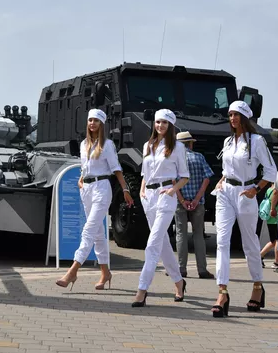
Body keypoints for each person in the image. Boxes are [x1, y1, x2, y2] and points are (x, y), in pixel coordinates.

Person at [210, 100, 277, 318]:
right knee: (222, 241)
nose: (232, 118)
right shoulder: (228, 141)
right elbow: (226, 169)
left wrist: (256, 189)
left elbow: (271, 171)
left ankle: (257, 286)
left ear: (245, 117)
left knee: (249, 243)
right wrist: (221, 181)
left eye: (236, 114)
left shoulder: (257, 141)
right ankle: (222, 292)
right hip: (225, 193)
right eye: (230, 115)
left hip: (246, 193)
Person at [55, 109, 134, 290]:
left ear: (102, 124)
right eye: (90, 120)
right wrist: (81, 178)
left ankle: (73, 271)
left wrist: (125, 189)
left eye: (96, 121)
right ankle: (105, 272)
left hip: (101, 188)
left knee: (88, 230)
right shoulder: (84, 144)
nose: (92, 123)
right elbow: (85, 167)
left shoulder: (107, 145)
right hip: (87, 189)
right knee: (98, 234)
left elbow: (116, 169)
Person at [131, 109, 190, 307]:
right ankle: (179, 281)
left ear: (171, 125)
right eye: (158, 122)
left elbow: (185, 176)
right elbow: (144, 173)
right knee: (163, 244)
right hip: (148, 197)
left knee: (153, 243)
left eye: (164, 122)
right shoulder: (148, 145)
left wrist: (172, 190)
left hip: (166, 196)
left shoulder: (178, 147)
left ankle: (142, 289)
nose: (160, 125)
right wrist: (142, 191)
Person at [174, 131, 214, 279]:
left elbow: (172, 181)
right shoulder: (199, 157)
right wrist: (197, 198)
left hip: (180, 202)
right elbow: (207, 178)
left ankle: (181, 269)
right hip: (198, 203)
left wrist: (182, 200)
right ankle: (202, 270)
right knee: (198, 235)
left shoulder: (175, 160)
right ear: (190, 143)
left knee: (181, 234)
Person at [257, 184, 278, 269]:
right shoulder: (276, 190)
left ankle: (259, 256)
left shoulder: (269, 189)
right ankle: (277, 262)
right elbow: (276, 200)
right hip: (276, 217)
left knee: (273, 241)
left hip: (270, 218)